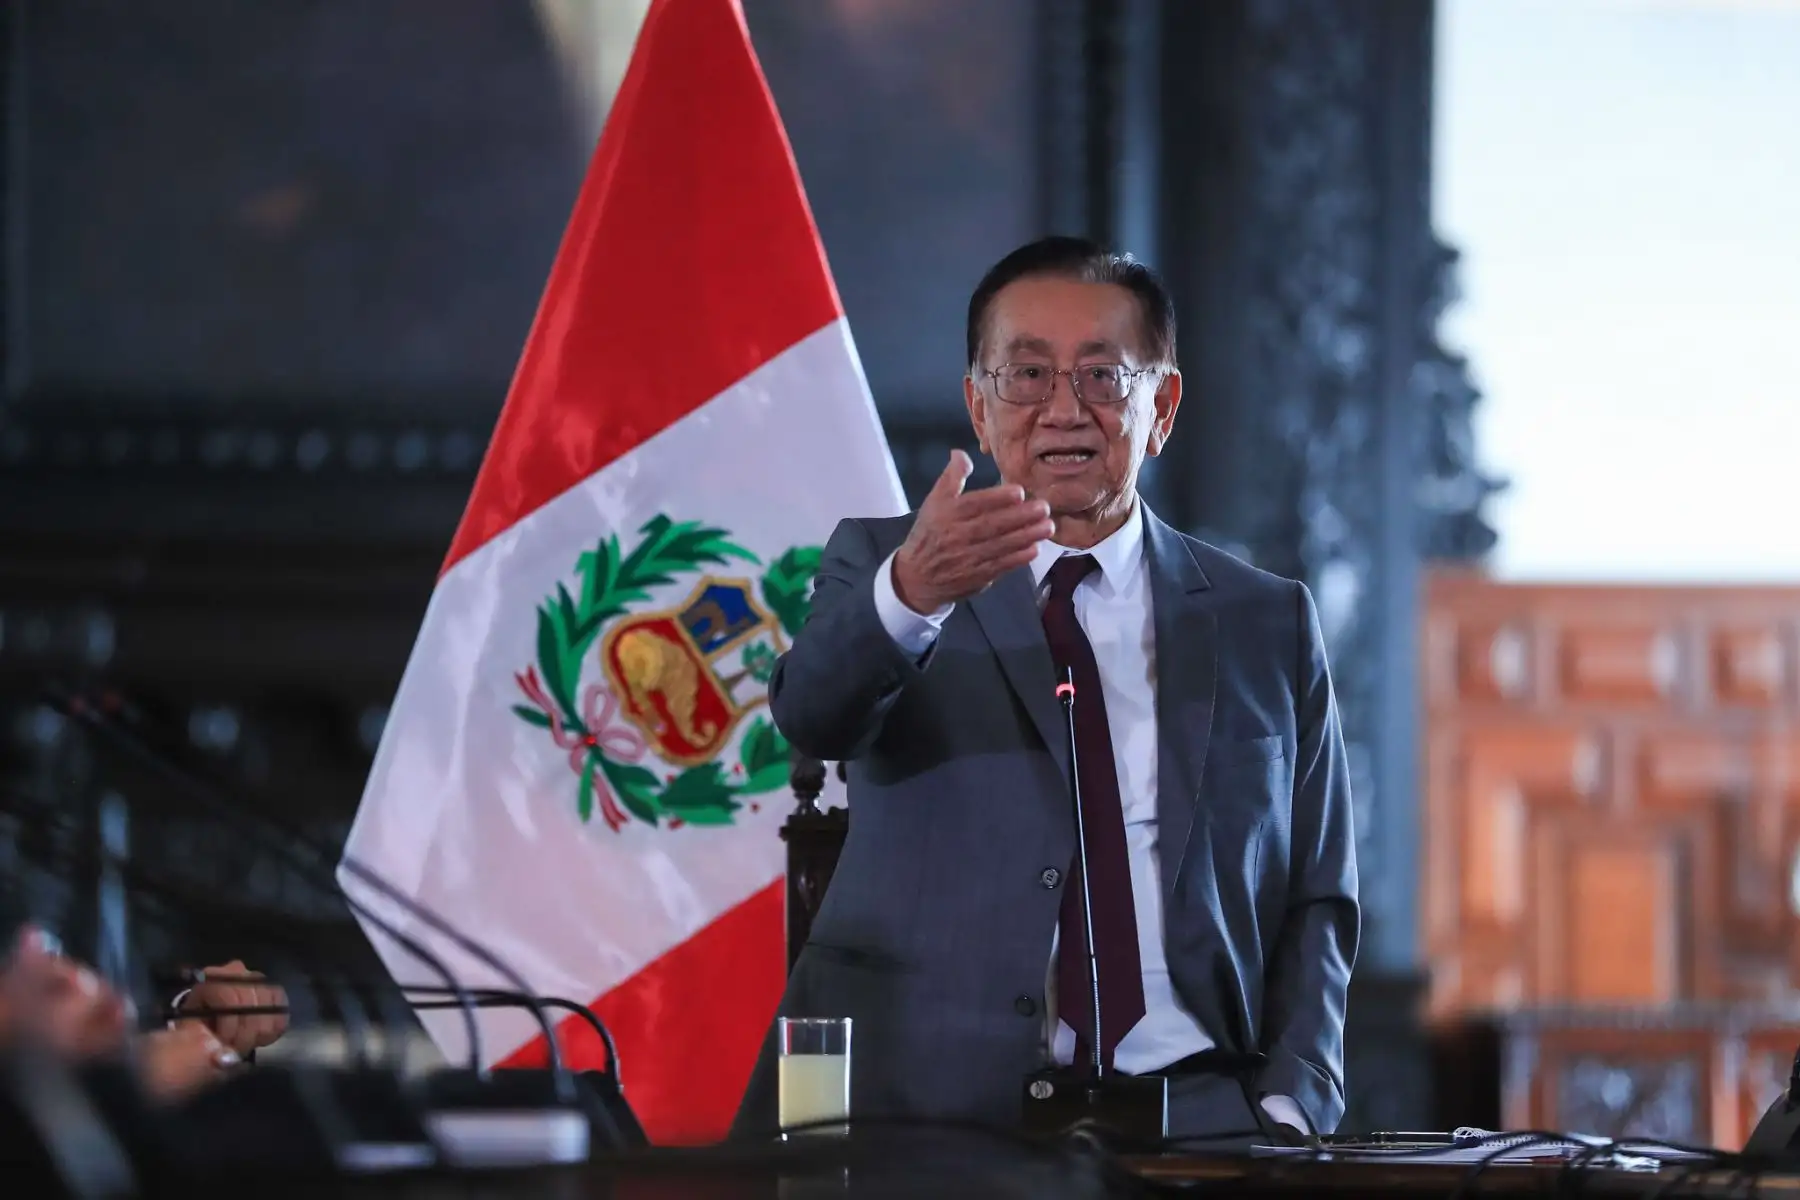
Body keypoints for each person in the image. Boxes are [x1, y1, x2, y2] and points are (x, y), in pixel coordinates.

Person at [735, 237, 1359, 1142]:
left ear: (1162, 408)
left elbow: (1318, 890)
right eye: (1026, 375)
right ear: (978, 409)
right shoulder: (885, 565)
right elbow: (812, 716)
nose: (1064, 410)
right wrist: (912, 595)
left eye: (1103, 377)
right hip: (922, 1121)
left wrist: (1290, 1102)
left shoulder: (1267, 619)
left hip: (1198, 1123)